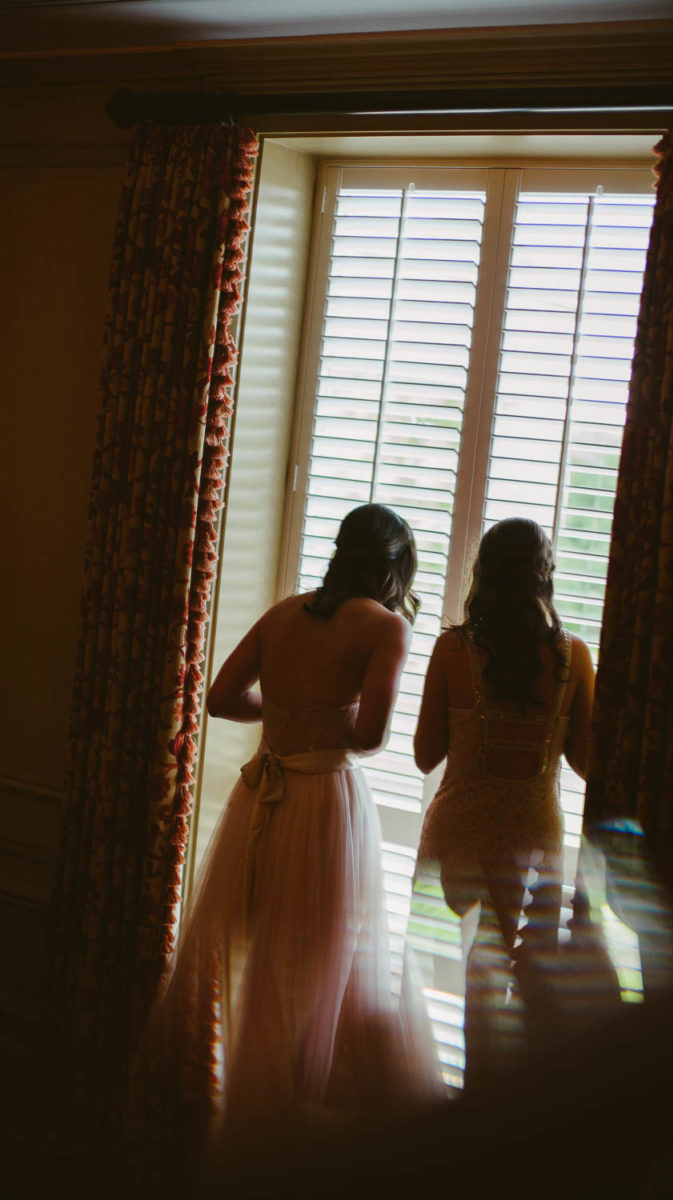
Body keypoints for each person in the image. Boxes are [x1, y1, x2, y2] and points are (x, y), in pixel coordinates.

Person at [133, 503, 442, 1183]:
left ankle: (247, 1128)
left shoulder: (283, 614)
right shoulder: (387, 627)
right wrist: (324, 719)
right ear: (395, 566)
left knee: (263, 967)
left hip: (263, 800)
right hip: (324, 806)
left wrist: (283, 714)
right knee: (319, 973)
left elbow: (218, 699)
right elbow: (367, 739)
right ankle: (287, 1149)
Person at [412, 517, 596, 1085]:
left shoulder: (452, 649)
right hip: (532, 839)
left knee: (478, 975)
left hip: (460, 834)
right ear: (545, 574)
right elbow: (586, 763)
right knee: (525, 980)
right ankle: (511, 1112)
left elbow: (424, 755)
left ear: (483, 573)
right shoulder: (574, 657)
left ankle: (476, 1101)